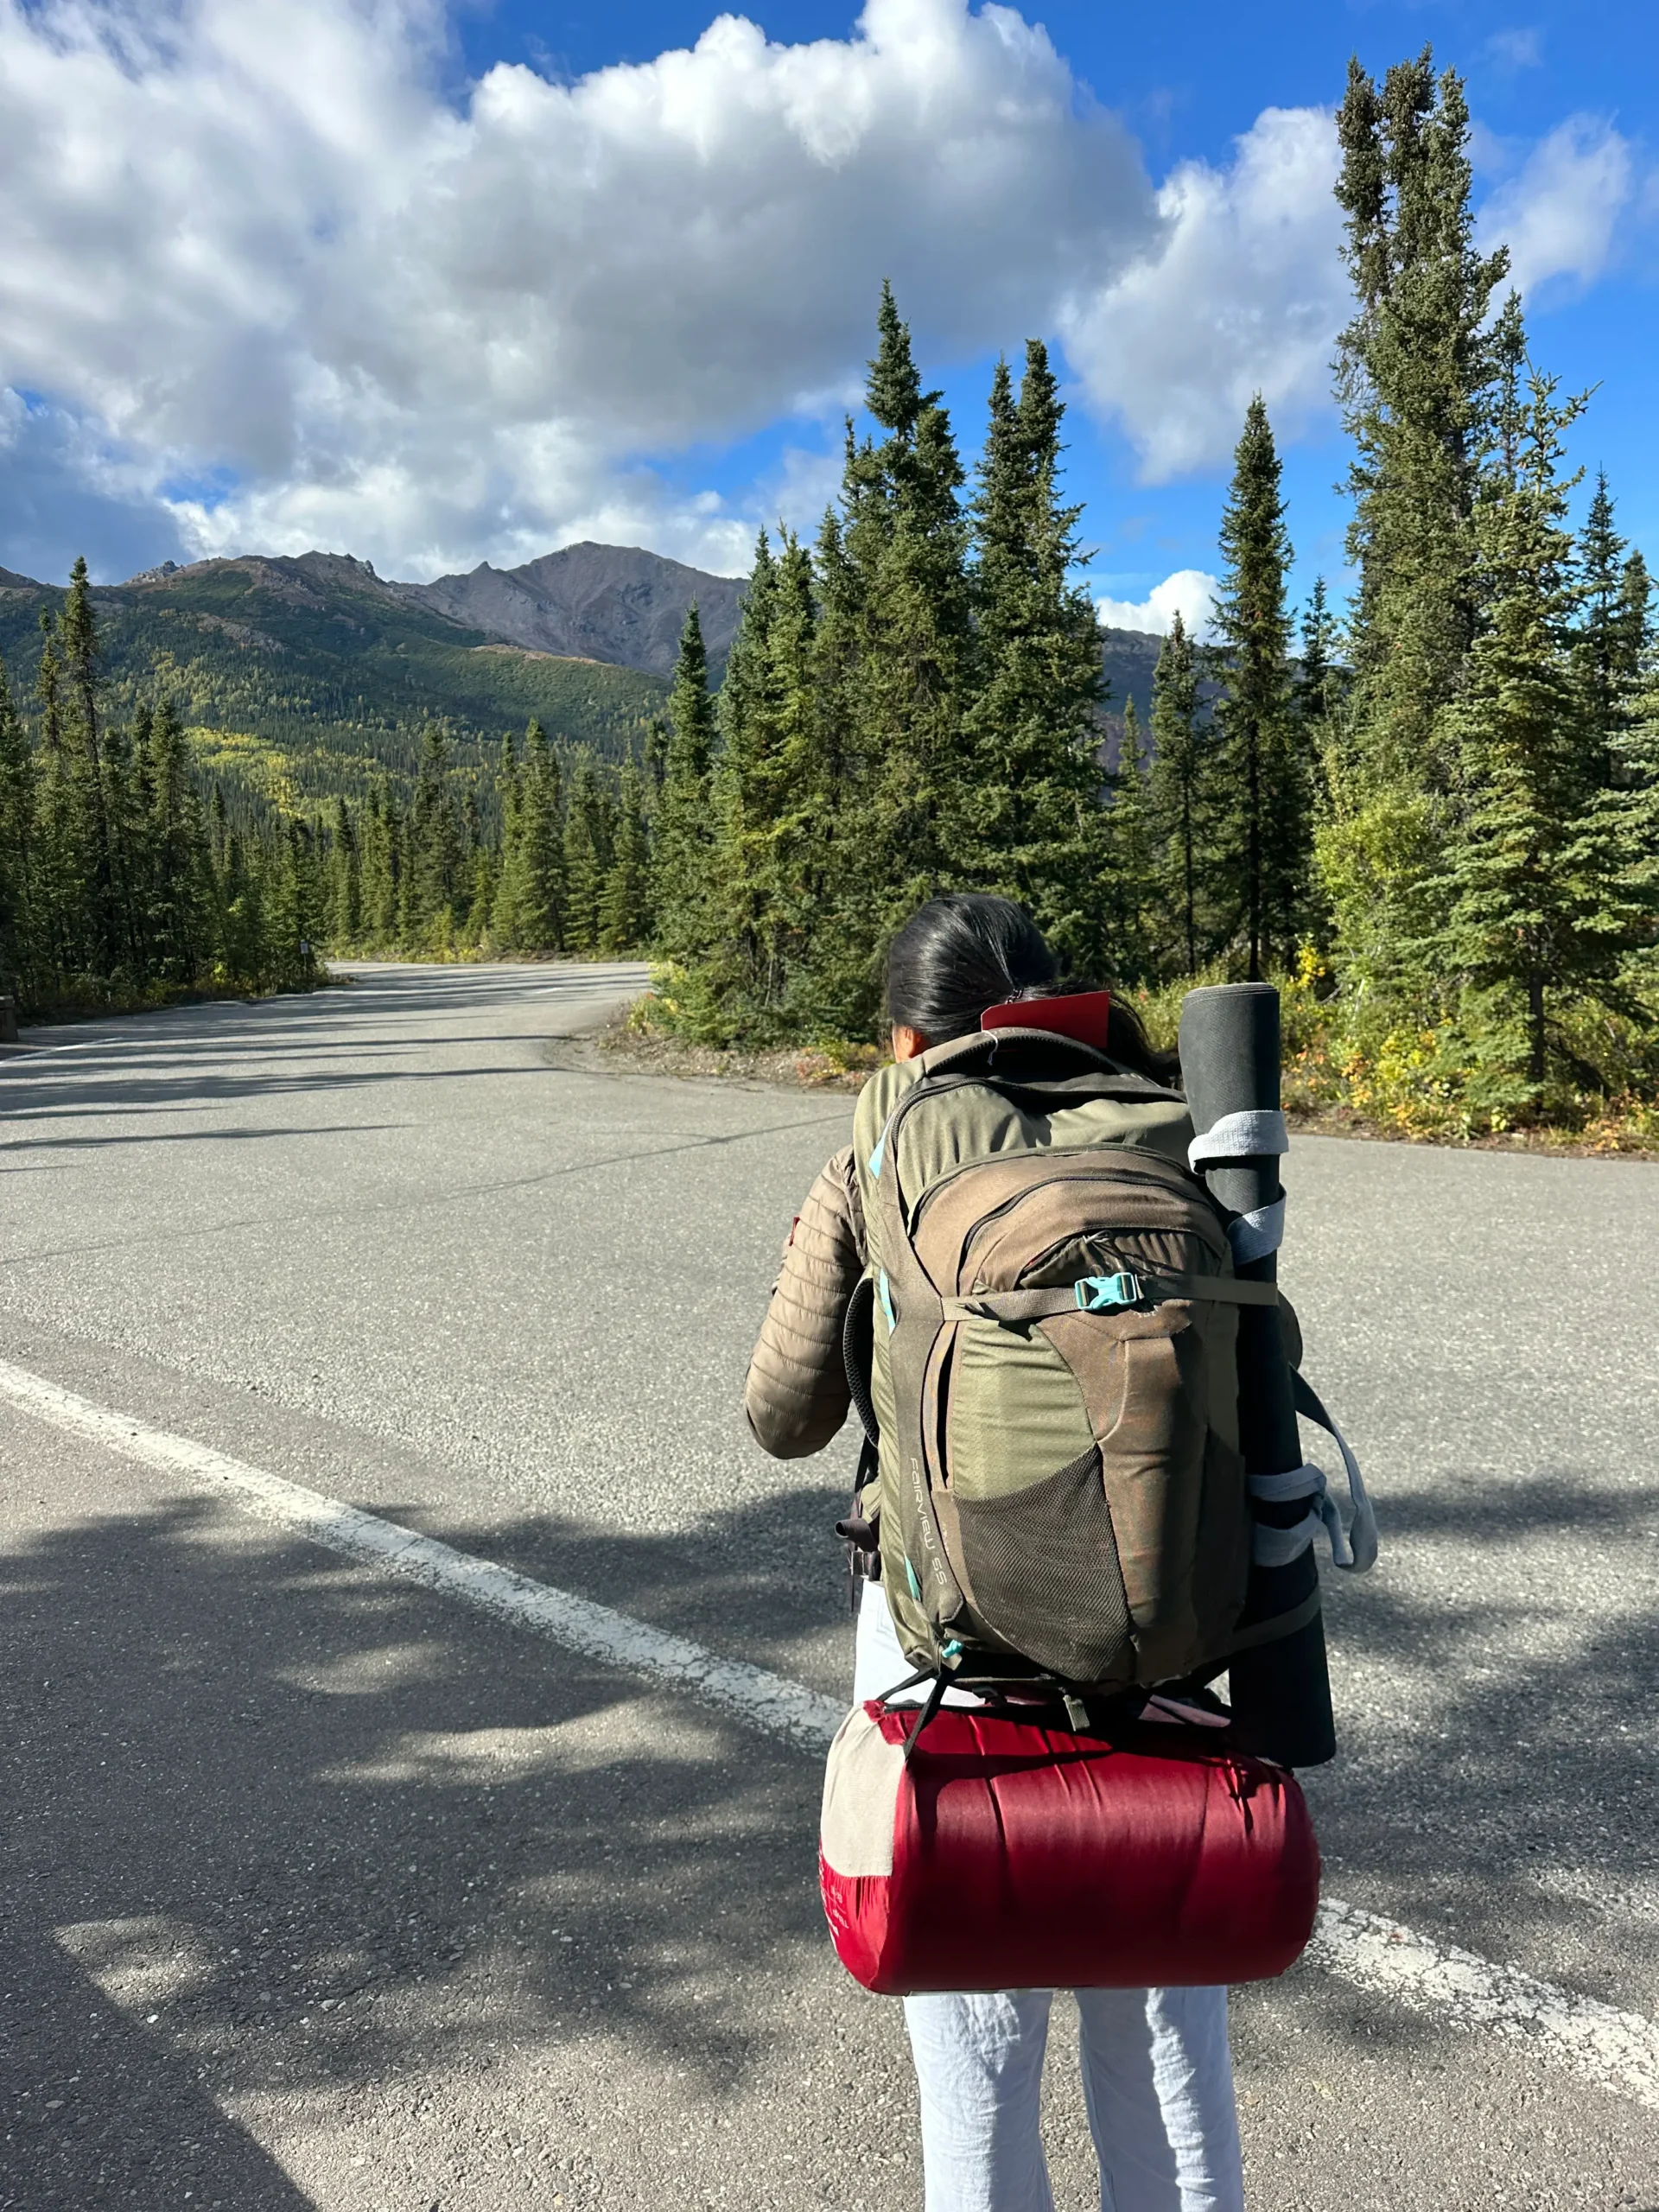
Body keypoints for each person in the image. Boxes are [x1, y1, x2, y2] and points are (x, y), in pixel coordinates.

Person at [743, 893, 1244, 2212]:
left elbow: (783, 1419)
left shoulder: (884, 1147)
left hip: (943, 1643)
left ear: (906, 1039)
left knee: (977, 2041)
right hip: (1166, 1620)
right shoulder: (1155, 1124)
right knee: (1163, 2036)